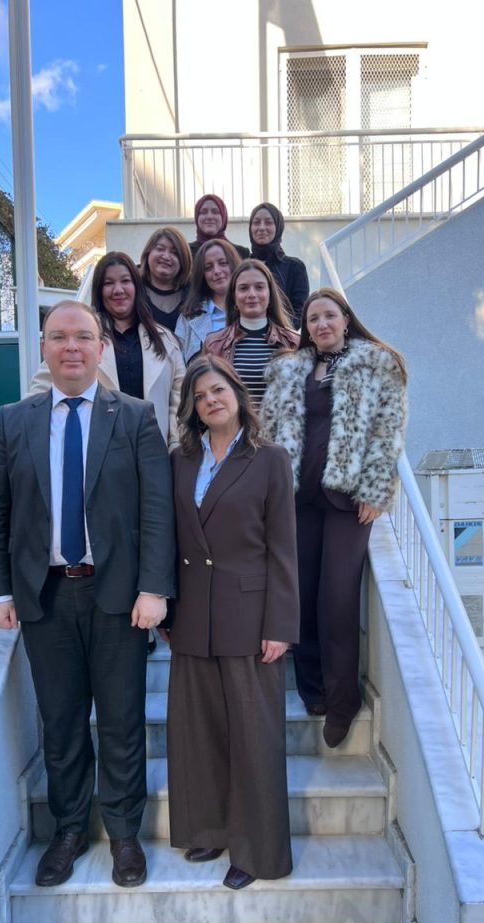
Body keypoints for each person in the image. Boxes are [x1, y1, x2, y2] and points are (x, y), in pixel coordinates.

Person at [0, 300, 175, 889]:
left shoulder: (135, 416)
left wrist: (154, 587)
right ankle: (68, 830)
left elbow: (157, 510)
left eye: (83, 337)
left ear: (100, 348)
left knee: (121, 722)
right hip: (45, 599)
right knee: (61, 724)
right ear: (43, 347)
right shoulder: (13, 420)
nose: (71, 347)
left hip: (117, 597)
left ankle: (124, 834)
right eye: (59, 336)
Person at [162, 355, 299, 890]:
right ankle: (209, 829)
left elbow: (283, 548)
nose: (210, 401)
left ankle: (257, 850)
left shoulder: (270, 459)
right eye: (199, 397)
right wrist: (167, 605)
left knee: (253, 737)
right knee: (198, 733)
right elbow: (168, 535)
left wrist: (280, 624)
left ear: (238, 395)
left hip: (250, 615)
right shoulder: (180, 460)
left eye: (217, 390)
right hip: (192, 616)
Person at [261, 288, 407, 748]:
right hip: (299, 498)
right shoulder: (291, 369)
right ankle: (313, 690)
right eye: (313, 318)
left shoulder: (376, 362)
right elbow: (270, 430)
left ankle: (343, 701)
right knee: (302, 595)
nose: (321, 324)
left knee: (337, 600)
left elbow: (389, 427)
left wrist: (377, 487)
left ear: (345, 318)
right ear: (305, 327)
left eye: (329, 315)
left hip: (347, 500)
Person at [31, 253, 185, 449]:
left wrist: (175, 446)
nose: (118, 290)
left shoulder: (166, 340)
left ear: (137, 287)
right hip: (98, 453)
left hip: (152, 450)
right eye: (108, 283)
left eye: (125, 281)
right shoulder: (81, 339)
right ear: (99, 290)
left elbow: (179, 402)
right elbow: (40, 391)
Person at [203, 258, 299, 408]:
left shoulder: (294, 342)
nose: (252, 294)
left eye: (259, 287)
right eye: (244, 288)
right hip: (234, 424)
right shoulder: (214, 344)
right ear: (234, 296)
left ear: (270, 294)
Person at [174, 238, 241, 362]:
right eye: (208, 268)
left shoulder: (252, 309)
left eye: (223, 263)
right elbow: (178, 365)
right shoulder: (189, 317)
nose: (217, 271)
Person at [248, 202, 309, 328]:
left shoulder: (294, 267)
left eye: (268, 222)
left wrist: (277, 333)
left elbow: (300, 313)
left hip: (283, 337)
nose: (262, 227)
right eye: (256, 222)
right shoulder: (242, 266)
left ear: (278, 227)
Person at [138, 226, 193, 333]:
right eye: (160, 249)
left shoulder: (194, 293)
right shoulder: (133, 288)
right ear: (148, 252)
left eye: (175, 253)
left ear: (183, 260)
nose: (166, 257)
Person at [188, 193, 249, 261]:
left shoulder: (241, 253)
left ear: (223, 216)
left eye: (215, 212)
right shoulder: (186, 252)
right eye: (203, 212)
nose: (209, 217)